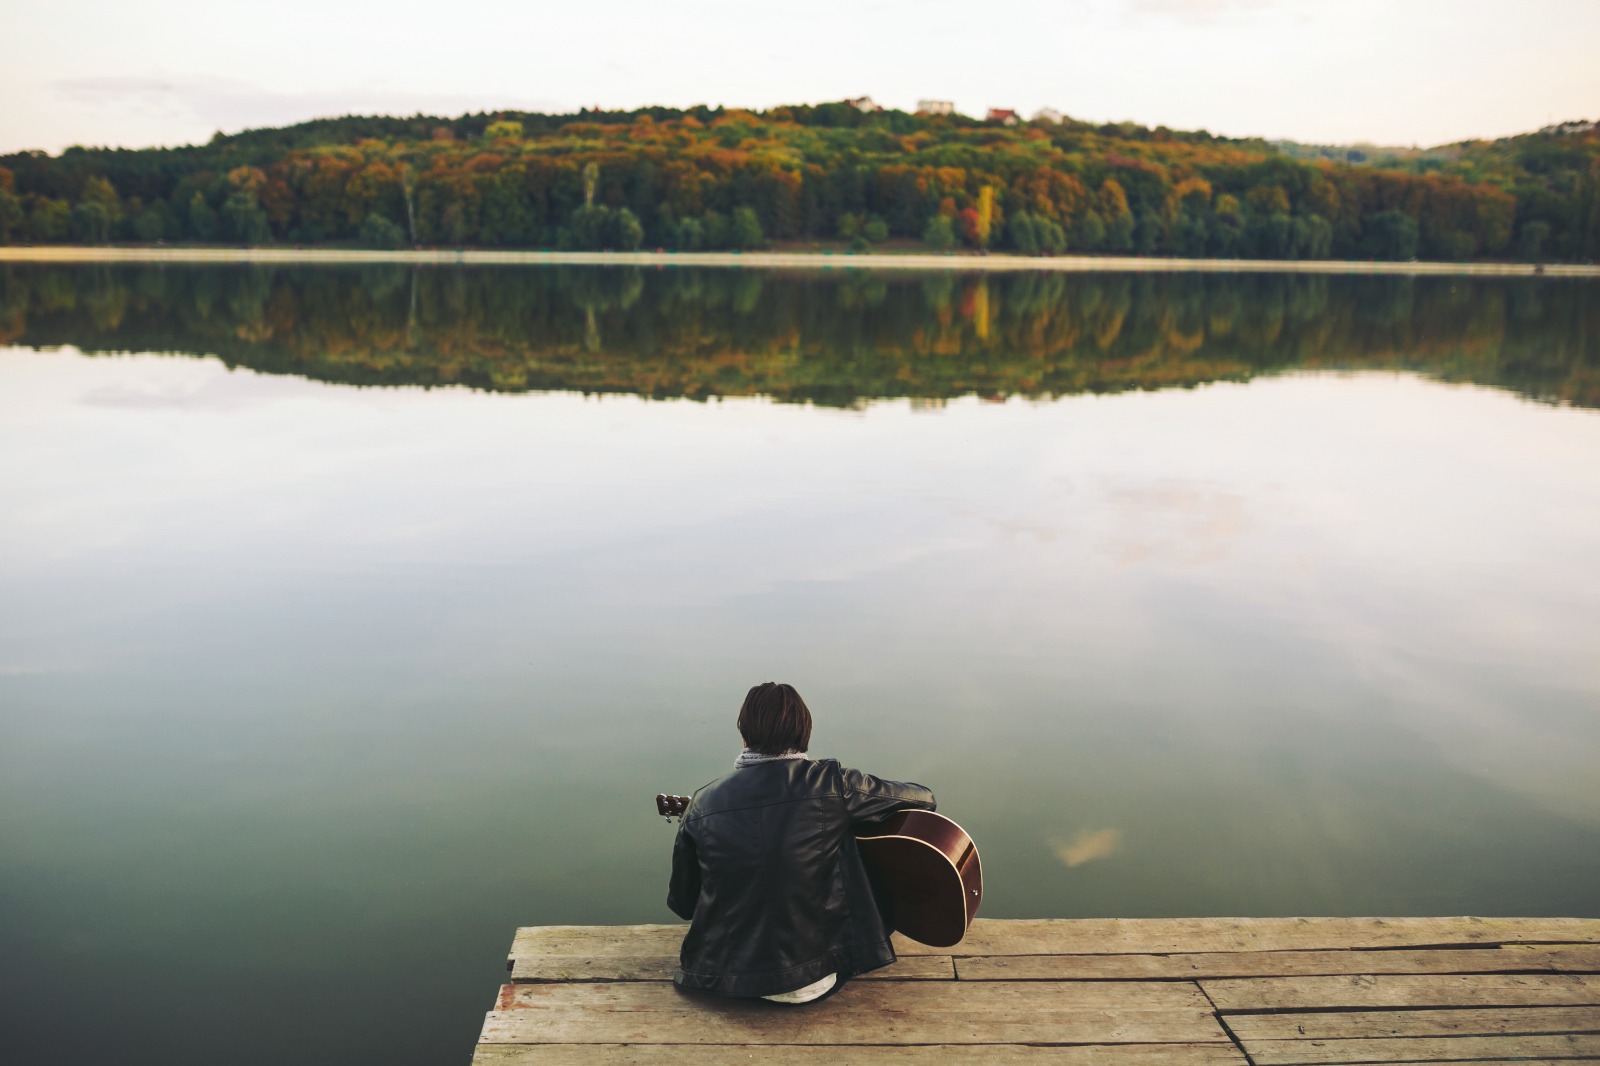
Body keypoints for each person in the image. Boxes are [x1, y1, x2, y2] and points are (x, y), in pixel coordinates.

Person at [667, 681, 936, 1003]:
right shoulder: (834, 783)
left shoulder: (703, 802)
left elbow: (682, 904)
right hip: (818, 976)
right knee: (843, 835)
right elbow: (924, 799)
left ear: (744, 736)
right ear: (804, 732)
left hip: (727, 979)